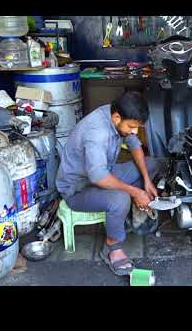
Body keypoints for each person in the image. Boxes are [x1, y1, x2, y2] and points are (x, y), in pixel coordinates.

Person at [55, 91, 162, 276]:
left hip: (105, 172)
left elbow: (134, 144)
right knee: (120, 199)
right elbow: (98, 177)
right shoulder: (97, 133)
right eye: (131, 126)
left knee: (153, 164)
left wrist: (146, 180)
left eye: (137, 127)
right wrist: (135, 193)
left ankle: (126, 213)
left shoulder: (116, 115)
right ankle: (112, 248)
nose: (134, 131)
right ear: (117, 117)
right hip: (79, 187)